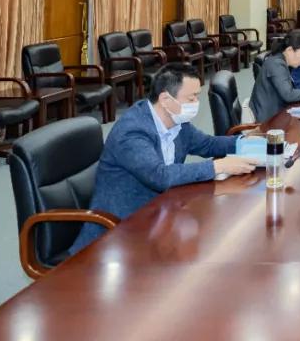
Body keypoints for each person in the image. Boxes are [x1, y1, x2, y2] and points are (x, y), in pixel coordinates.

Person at [69, 63, 256, 254]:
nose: (196, 103)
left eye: (197, 96)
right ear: (166, 99)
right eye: (191, 98)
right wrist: (218, 166)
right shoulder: (132, 132)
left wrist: (249, 143)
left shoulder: (177, 122)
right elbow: (160, 176)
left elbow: (207, 144)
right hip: (117, 235)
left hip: (159, 218)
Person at [250, 30, 300, 121]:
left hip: (278, 114)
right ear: (290, 50)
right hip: (269, 121)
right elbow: (288, 95)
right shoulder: (276, 64)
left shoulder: (282, 62)